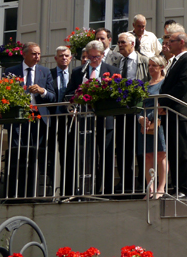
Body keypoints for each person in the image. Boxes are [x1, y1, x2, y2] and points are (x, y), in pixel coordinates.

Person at [65, 40, 121, 195]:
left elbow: (118, 95)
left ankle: (107, 190)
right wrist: (73, 104)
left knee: (106, 155)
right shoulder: (79, 72)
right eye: (91, 57)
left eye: (97, 57)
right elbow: (68, 94)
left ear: (103, 55)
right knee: (86, 156)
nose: (94, 60)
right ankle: (86, 189)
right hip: (84, 121)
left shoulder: (112, 70)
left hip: (105, 120)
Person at [3, 42, 55, 199]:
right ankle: (14, 192)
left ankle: (33, 191)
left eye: (39, 54)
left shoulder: (45, 72)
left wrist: (42, 91)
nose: (37, 57)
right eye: (34, 54)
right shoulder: (11, 72)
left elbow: (53, 97)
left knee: (35, 154)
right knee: (16, 153)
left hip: (38, 118)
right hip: (18, 118)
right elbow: (4, 94)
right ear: (24, 54)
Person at [159, 30, 187, 198]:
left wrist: (163, 102)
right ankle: (176, 187)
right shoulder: (174, 61)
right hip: (170, 112)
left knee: (182, 152)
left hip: (180, 111)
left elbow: (182, 85)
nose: (168, 45)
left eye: (172, 41)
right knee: (173, 152)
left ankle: (185, 189)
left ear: (181, 42)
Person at [114, 32, 151, 194]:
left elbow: (151, 81)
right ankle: (125, 182)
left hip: (139, 110)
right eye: (118, 42)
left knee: (141, 147)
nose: (120, 45)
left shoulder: (144, 61)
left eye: (122, 42)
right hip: (122, 111)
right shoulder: (118, 62)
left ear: (132, 44)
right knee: (123, 148)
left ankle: (143, 182)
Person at [138, 55, 168, 198]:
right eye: (149, 65)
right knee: (147, 155)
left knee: (161, 154)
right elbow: (138, 105)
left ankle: (161, 188)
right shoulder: (145, 85)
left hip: (159, 122)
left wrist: (150, 118)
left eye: (154, 65)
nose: (150, 68)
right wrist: (141, 118)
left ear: (161, 67)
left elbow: (162, 103)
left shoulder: (164, 83)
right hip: (145, 124)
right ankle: (150, 189)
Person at [49, 46, 75, 196]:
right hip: (52, 118)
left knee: (69, 154)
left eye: (66, 56)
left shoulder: (75, 74)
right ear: (56, 58)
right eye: (61, 56)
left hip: (69, 119)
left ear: (70, 58)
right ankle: (51, 187)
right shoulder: (49, 74)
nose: (64, 58)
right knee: (51, 154)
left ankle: (68, 190)